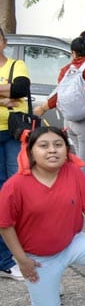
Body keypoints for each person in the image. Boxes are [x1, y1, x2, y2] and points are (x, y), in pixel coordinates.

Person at [0, 126, 85, 306]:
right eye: (44, 145)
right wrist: (22, 260)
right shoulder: (15, 185)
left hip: (71, 243)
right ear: (31, 151)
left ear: (66, 149)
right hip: (39, 258)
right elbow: (5, 226)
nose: (52, 150)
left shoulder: (72, 171)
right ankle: (51, 283)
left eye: (58, 145)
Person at [34, 34, 85, 176]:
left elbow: (58, 94)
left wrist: (43, 108)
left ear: (73, 53)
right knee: (84, 164)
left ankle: (74, 188)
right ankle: (80, 190)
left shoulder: (66, 70)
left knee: (77, 161)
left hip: (69, 121)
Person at [0, 26, 31, 188]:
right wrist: (4, 99)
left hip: (14, 130)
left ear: (5, 43)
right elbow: (14, 90)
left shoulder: (16, 65)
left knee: (16, 174)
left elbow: (21, 89)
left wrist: (13, 91)